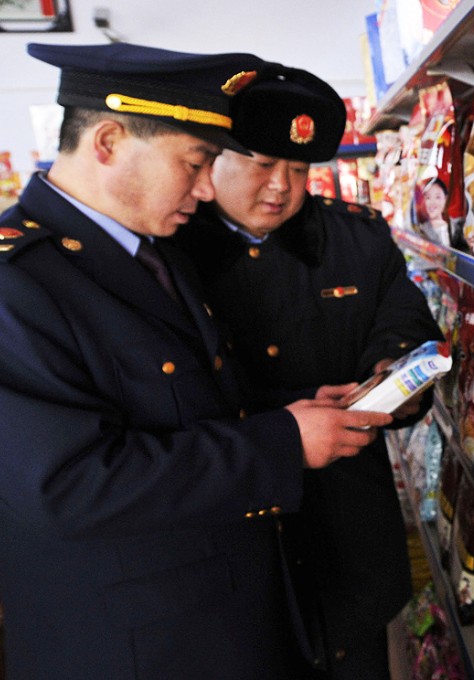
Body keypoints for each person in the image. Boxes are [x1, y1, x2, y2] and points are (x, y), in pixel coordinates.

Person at [0, 43, 394, 680]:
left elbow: (186, 408)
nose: (209, 187)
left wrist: (290, 413)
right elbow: (70, 483)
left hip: (228, 614)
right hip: (137, 645)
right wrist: (282, 443)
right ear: (108, 141)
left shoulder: (153, 248)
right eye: (196, 161)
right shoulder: (18, 284)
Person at [174, 64, 443, 680]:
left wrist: (395, 378)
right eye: (264, 164)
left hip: (350, 532)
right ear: (213, 162)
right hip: (235, 548)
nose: (281, 187)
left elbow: (403, 320)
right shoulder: (173, 251)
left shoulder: (355, 239)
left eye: (299, 170)